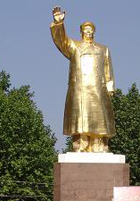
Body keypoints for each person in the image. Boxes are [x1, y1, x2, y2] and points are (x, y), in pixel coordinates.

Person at [50, 6, 116, 153]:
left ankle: (99, 144)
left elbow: (108, 68)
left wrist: (110, 86)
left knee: (99, 116)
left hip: (98, 87)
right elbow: (61, 41)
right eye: (85, 29)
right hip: (80, 86)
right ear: (81, 32)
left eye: (90, 29)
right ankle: (81, 144)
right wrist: (58, 23)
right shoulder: (74, 46)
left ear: (94, 32)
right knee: (81, 116)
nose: (88, 31)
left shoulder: (103, 49)